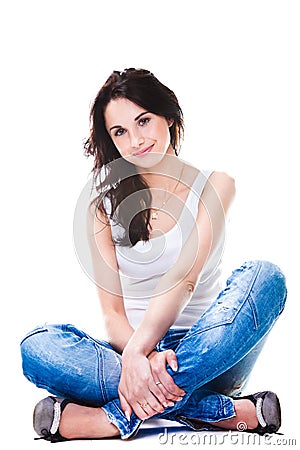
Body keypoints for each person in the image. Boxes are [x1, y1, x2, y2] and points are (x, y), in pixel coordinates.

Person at [20, 68, 287, 442]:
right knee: (36, 346)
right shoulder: (103, 209)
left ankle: (114, 416)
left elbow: (185, 276)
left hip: (211, 352)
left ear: (169, 118)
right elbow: (112, 313)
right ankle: (212, 410)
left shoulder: (215, 185)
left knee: (266, 276)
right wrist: (139, 358)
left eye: (143, 121)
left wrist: (141, 359)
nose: (135, 140)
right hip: (128, 355)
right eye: (120, 132)